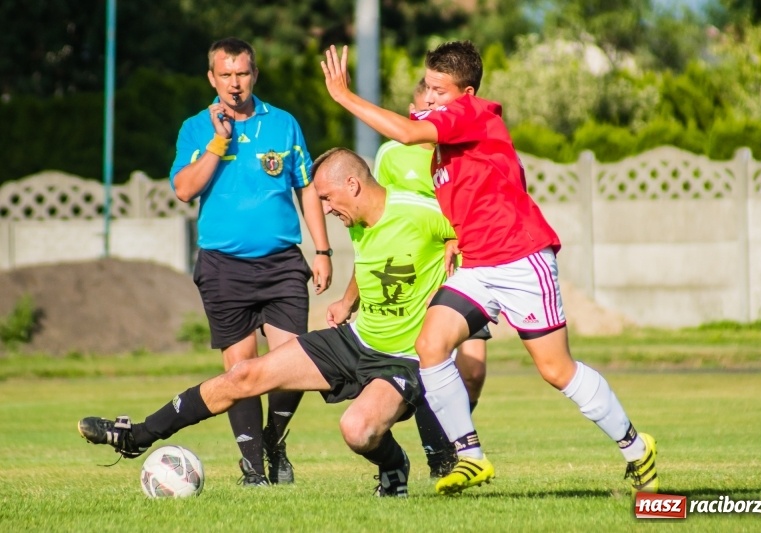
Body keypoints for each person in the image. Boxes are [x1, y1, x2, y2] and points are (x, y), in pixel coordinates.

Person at [320, 41, 658, 496]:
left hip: (521, 259)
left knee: (557, 370)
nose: (432, 97)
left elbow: (403, 132)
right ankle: (471, 457)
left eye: (441, 90)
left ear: (468, 91)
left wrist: (344, 96)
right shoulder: (444, 121)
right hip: (479, 266)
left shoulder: (473, 114)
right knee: (431, 343)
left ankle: (636, 447)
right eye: (429, 88)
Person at [79, 147, 458, 498]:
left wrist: (454, 256)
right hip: (356, 339)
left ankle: (394, 465)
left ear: (353, 185)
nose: (324, 209)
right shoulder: (358, 220)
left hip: (404, 357)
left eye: (326, 198)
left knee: (357, 431)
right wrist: (346, 301)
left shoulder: (421, 211)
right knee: (243, 376)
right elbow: (375, 261)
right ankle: (136, 436)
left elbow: (488, 232)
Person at [169, 37, 333, 486]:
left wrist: (322, 250)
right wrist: (218, 144)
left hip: (282, 264)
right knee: (241, 371)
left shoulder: (283, 124)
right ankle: (253, 469)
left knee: (293, 364)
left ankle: (274, 442)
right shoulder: (195, 128)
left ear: (254, 74)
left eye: (242, 73)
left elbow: (307, 188)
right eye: (226, 74)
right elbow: (185, 189)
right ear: (212, 78)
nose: (235, 83)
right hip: (224, 266)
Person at [373, 78, 490, 477]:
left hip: (465, 266)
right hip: (417, 274)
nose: (432, 111)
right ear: (412, 109)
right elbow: (380, 215)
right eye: (426, 103)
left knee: (473, 373)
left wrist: (458, 237)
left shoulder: (458, 151)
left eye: (440, 105)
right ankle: (445, 459)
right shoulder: (390, 155)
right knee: (432, 359)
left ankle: (448, 432)